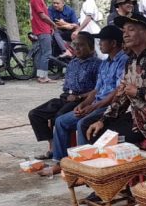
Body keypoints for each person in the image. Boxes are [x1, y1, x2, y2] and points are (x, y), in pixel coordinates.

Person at [86, 15, 146, 157]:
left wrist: (138, 92)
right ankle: (121, 170)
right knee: (99, 134)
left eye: (131, 29)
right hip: (139, 121)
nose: (125, 34)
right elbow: (121, 97)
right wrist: (103, 121)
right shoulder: (131, 61)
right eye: (124, 31)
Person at [45, 26, 129, 172]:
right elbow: (96, 90)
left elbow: (118, 92)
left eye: (102, 41)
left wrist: (94, 107)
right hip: (97, 103)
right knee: (61, 121)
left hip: (111, 106)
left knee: (82, 123)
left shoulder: (124, 61)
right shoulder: (105, 63)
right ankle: (61, 162)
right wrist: (83, 104)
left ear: (114, 43)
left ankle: (85, 166)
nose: (99, 44)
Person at [28, 31, 100, 159]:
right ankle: (52, 146)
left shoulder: (97, 64)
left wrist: (79, 97)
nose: (77, 48)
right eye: (75, 45)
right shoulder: (73, 63)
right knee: (35, 114)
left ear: (91, 47)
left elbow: (98, 89)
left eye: (81, 45)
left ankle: (61, 154)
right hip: (67, 97)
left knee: (58, 117)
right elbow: (66, 85)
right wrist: (67, 95)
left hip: (82, 99)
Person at [25, 0, 56, 83]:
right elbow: (42, 15)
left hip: (43, 28)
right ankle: (43, 77)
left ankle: (41, 76)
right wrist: (53, 24)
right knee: (46, 53)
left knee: (43, 53)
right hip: (42, 29)